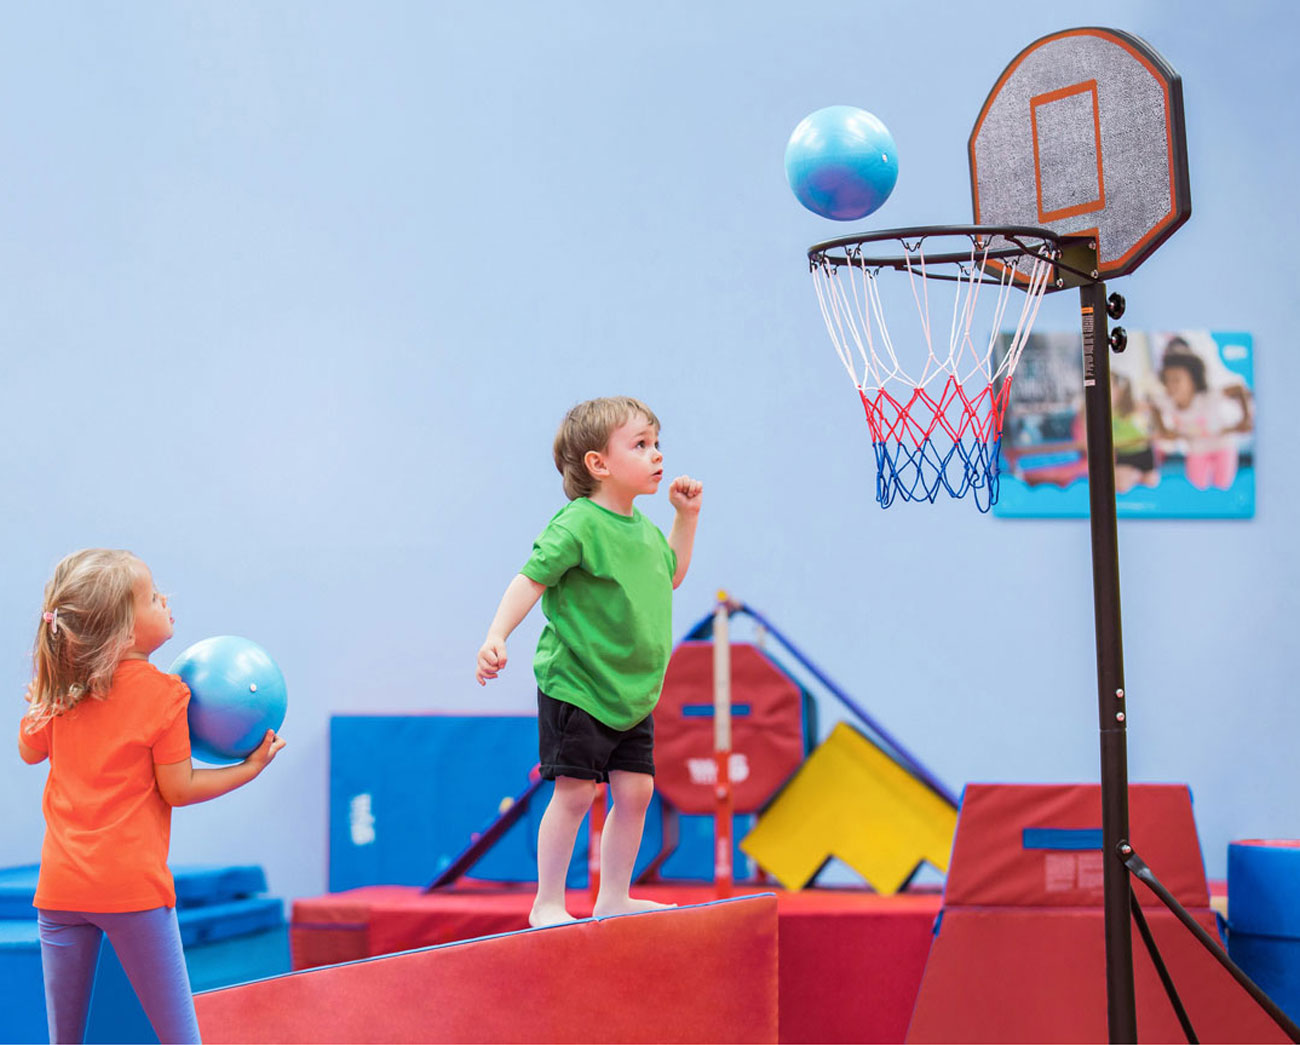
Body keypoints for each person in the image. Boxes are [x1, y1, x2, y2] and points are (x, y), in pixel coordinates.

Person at [17, 549, 285, 1045]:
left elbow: (29, 752)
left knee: (64, 1038)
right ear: (123, 631)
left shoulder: (67, 691)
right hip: (131, 892)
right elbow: (178, 789)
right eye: (153, 597)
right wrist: (248, 769)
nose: (166, 599)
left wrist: (44, 696)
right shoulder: (165, 694)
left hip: (60, 891)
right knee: (180, 1036)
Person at [475, 396, 702, 928]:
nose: (656, 454)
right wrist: (496, 635)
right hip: (577, 682)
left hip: (630, 691)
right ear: (599, 463)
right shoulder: (578, 523)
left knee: (637, 791)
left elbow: (671, 574)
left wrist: (686, 518)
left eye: (657, 443)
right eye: (640, 445)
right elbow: (531, 578)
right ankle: (548, 902)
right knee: (575, 792)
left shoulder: (645, 530)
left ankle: (614, 897)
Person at [1151, 339, 1254, 491]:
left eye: (1176, 380)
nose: (1171, 386)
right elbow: (1154, 406)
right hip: (1196, 448)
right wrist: (1163, 429)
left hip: (1222, 445)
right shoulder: (1168, 402)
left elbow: (1239, 389)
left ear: (1193, 380)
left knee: (1223, 485)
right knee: (1195, 484)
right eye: (1167, 381)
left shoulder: (1208, 397)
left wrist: (1245, 419)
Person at [1110, 372, 1160, 493]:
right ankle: (1135, 474)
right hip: (1123, 453)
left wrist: (1156, 430)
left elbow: (1154, 409)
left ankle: (1138, 475)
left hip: (1142, 450)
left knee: (1152, 482)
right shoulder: (1108, 410)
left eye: (1112, 387)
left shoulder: (1135, 406)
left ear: (1120, 389)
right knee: (1120, 487)